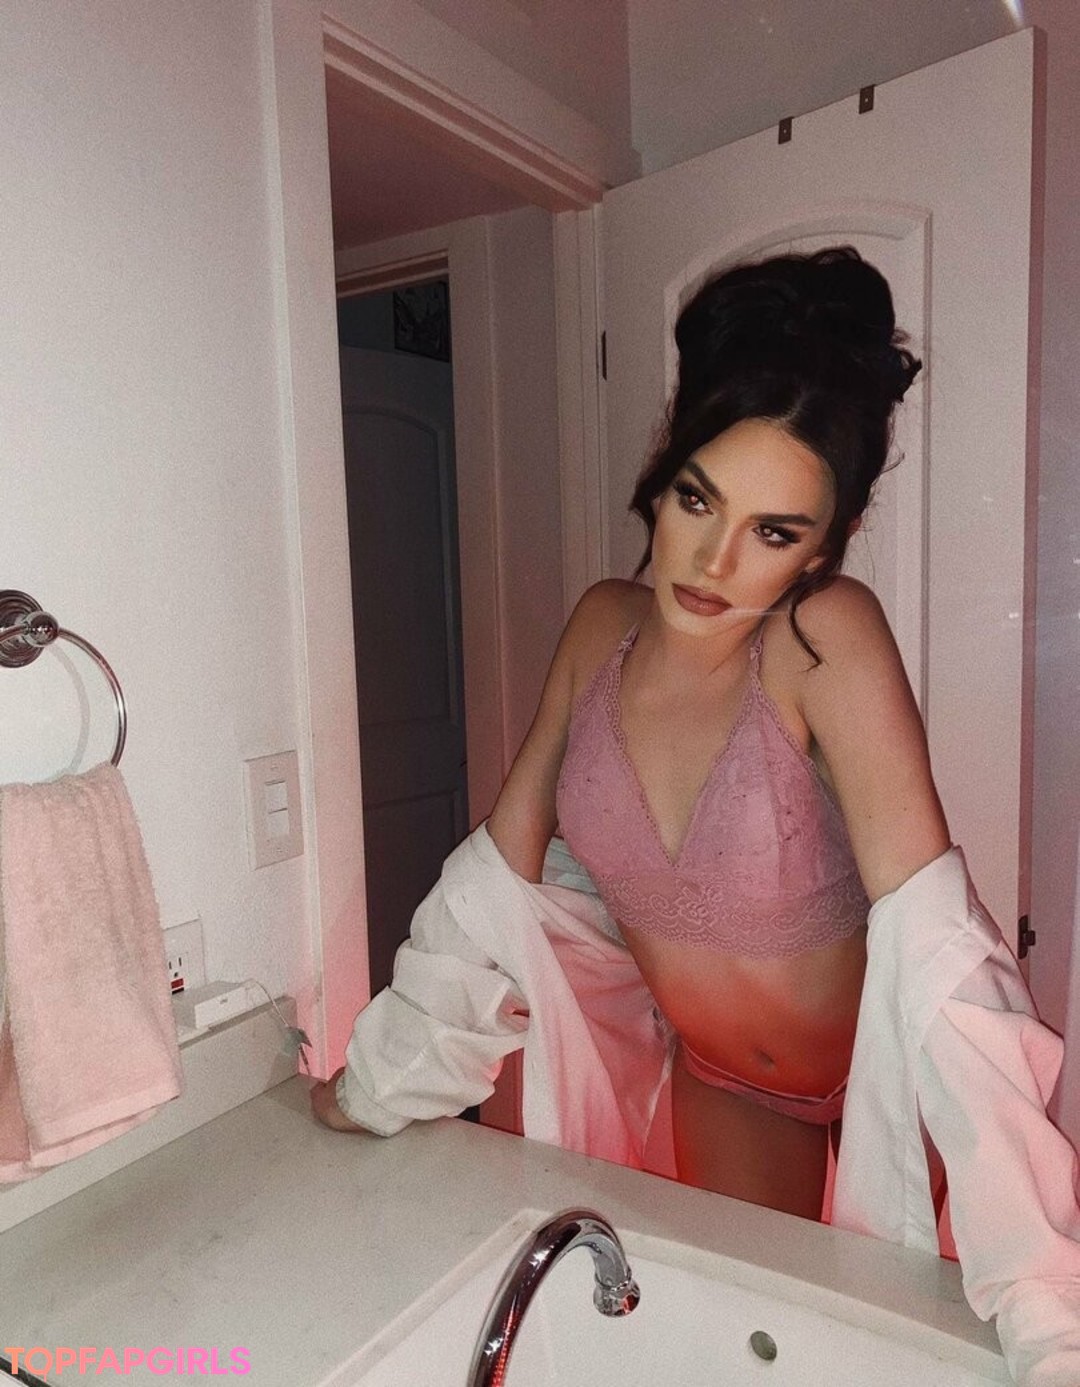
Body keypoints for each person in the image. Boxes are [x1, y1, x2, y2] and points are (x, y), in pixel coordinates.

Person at [313, 244, 950, 1219]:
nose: (714, 560)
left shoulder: (824, 636)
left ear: (833, 539)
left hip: (888, 1076)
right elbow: (495, 879)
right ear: (664, 468)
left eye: (774, 531)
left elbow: (933, 932)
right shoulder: (599, 628)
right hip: (731, 1090)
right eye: (699, 498)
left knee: (899, 1319)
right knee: (740, 1308)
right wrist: (374, 1087)